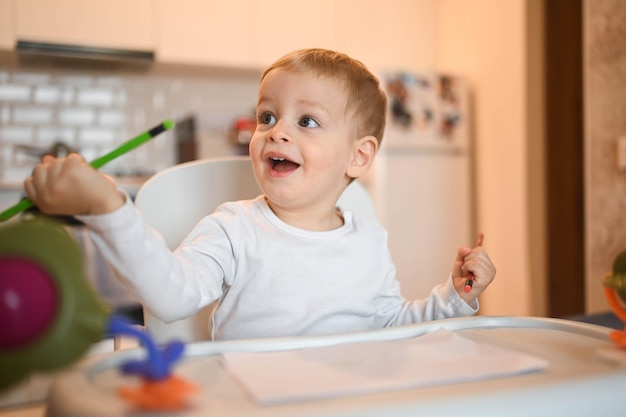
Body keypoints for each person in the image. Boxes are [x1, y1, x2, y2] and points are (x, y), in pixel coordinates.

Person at [24, 48, 496, 341]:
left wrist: (453, 297)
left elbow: (391, 325)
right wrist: (107, 208)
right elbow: (169, 295)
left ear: (358, 157)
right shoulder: (232, 229)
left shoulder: (368, 236)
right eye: (267, 117)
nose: (276, 133)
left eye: (306, 121)